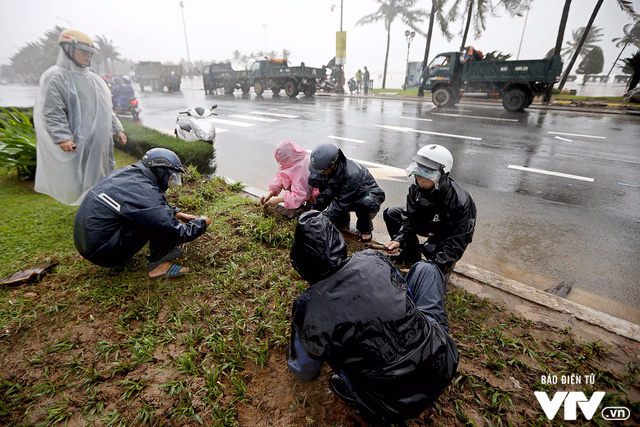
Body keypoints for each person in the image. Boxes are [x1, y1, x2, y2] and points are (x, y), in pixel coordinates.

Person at [287, 211, 459, 424]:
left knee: (341, 361)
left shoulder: (307, 307)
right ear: (338, 242)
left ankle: (354, 391)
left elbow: (304, 370)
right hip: (442, 362)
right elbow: (404, 297)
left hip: (388, 404)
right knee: (426, 268)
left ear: (300, 262)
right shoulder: (374, 259)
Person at [73, 148, 212, 279]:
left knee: (151, 215)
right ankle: (159, 267)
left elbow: (144, 204)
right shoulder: (145, 191)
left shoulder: (129, 175)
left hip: (87, 244)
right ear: (161, 171)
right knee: (156, 224)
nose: (171, 183)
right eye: (171, 177)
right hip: (104, 253)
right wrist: (201, 222)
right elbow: (175, 232)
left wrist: (177, 213)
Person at [34, 29, 127, 206]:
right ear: (68, 50)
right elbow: (52, 111)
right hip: (79, 141)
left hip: (101, 139)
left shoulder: (94, 79)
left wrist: (117, 128)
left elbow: (106, 107)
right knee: (83, 179)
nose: (87, 56)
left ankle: (103, 205)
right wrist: (63, 137)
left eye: (90, 53)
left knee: (104, 172)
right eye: (83, 51)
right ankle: (92, 209)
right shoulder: (55, 77)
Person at [384, 144, 477, 278]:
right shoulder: (416, 188)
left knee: (431, 258)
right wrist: (400, 239)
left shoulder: (461, 201)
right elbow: (409, 217)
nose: (420, 179)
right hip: (427, 222)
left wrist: (430, 267)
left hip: (444, 233)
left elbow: (458, 242)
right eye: (418, 173)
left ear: (442, 175)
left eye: (426, 175)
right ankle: (410, 255)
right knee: (392, 213)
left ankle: (437, 268)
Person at [307, 143, 385, 242]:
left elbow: (340, 203)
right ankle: (343, 221)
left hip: (365, 194)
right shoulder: (325, 169)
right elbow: (327, 192)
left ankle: (365, 228)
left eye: (322, 171)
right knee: (338, 222)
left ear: (333, 165)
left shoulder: (352, 174)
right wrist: (315, 208)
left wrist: (320, 220)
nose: (320, 173)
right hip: (345, 194)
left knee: (366, 203)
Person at [259, 139, 320, 209]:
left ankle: (309, 209)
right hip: (305, 190)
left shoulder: (301, 167)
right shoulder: (290, 161)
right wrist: (269, 195)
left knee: (310, 208)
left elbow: (301, 194)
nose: (281, 164)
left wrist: (279, 199)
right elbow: (279, 179)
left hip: (315, 194)